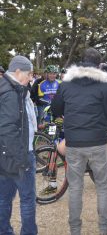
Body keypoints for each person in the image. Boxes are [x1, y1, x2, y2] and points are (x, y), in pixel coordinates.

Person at [51, 48, 107, 235]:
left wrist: (68, 116)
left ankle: (75, 230)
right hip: (97, 141)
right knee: (103, 187)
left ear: (82, 62)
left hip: (73, 142)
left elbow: (55, 109)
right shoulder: (105, 86)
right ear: (99, 65)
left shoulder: (66, 84)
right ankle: (104, 230)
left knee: (75, 188)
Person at [0, 55, 38, 235]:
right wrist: (21, 158)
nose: (31, 78)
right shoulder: (11, 92)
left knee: (4, 198)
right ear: (17, 72)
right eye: (29, 74)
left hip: (5, 154)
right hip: (18, 154)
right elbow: (8, 128)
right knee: (27, 199)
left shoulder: (10, 87)